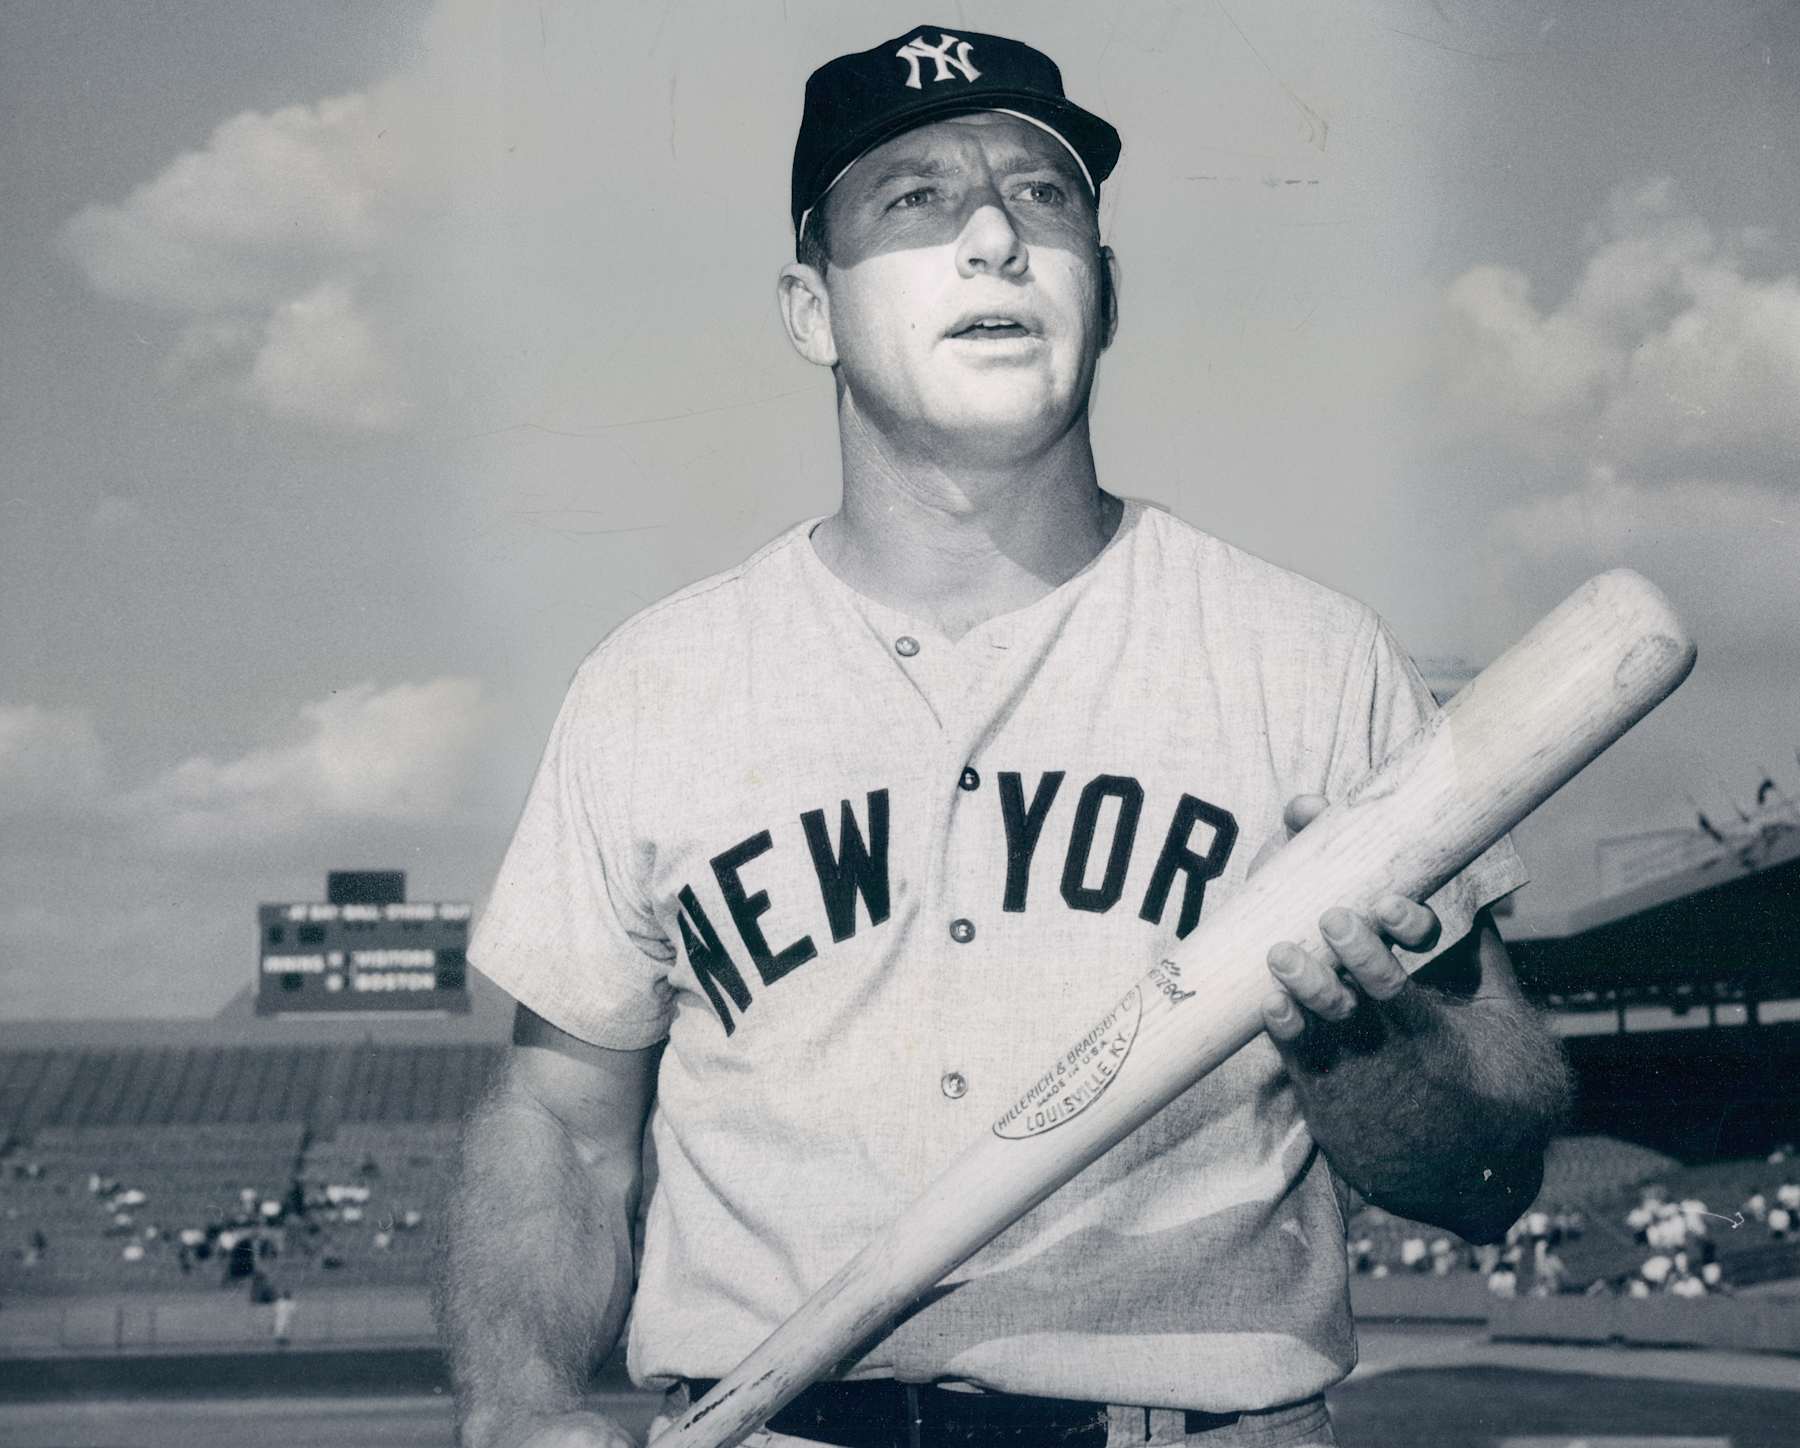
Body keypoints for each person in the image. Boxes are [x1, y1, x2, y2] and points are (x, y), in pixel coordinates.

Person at [439, 24, 1571, 1448]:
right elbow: (560, 1122)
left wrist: (1377, 1060)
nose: (993, 235)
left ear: (1106, 292)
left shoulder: (1311, 662)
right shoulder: (651, 684)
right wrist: (515, 1397)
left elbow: (1494, 1159)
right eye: (912, 200)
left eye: (1044, 198)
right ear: (811, 308)